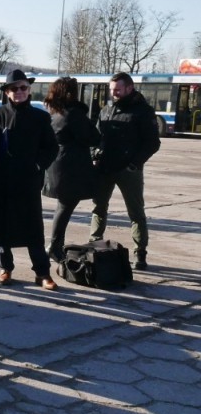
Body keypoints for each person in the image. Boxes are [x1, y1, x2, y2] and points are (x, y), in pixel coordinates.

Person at [0, 69, 59, 290]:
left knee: (33, 229)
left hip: (28, 182)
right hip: (2, 182)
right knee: (2, 228)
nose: (19, 91)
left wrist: (37, 165)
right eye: (14, 88)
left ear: (29, 89)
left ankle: (42, 272)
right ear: (6, 92)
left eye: (23, 87)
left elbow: (51, 148)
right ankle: (5, 268)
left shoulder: (41, 117)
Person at [89, 72, 161, 270]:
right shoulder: (107, 109)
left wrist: (134, 163)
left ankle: (140, 253)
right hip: (104, 168)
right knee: (98, 208)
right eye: (112, 90)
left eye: (118, 90)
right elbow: (96, 136)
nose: (114, 93)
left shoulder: (143, 111)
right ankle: (95, 244)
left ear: (130, 88)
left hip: (129, 171)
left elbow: (152, 143)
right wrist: (94, 154)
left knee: (136, 212)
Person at [42, 77, 101, 261]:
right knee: (65, 206)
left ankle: (56, 244)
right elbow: (92, 137)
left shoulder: (54, 112)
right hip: (71, 167)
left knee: (63, 206)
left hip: (59, 166)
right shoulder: (73, 114)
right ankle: (54, 245)